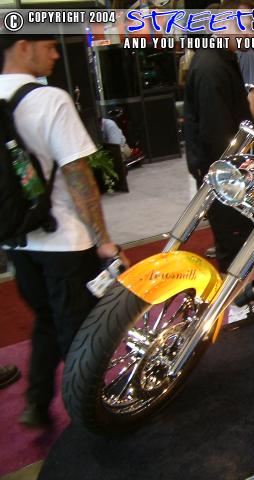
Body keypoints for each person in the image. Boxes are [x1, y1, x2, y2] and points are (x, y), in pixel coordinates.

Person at [0, 34, 128, 427]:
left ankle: (37, 403)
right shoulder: (49, 99)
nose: (56, 55)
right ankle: (89, 417)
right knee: (79, 333)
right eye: (49, 46)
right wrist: (103, 240)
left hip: (18, 240)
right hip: (65, 241)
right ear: (23, 46)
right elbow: (77, 174)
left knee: (45, 319)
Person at [183, 5, 254, 271]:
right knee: (234, 245)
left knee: (241, 240)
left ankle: (244, 288)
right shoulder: (211, 67)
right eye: (245, 26)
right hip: (225, 176)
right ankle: (238, 294)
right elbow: (217, 134)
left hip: (228, 172)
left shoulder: (220, 59)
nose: (251, 33)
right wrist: (242, 171)